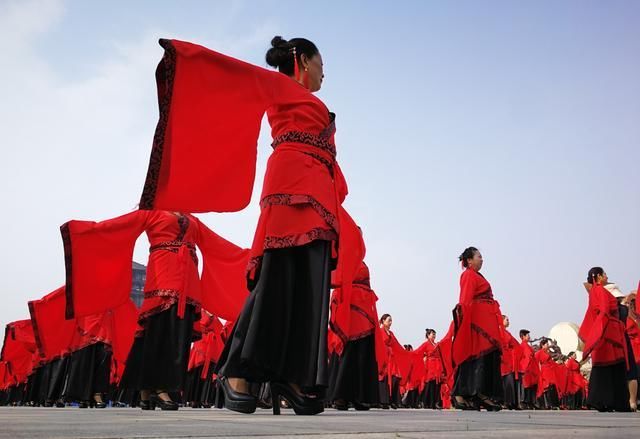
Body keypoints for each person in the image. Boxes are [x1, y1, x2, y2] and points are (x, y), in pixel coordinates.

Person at [62, 210, 249, 411]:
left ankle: (146, 391)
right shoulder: (152, 212)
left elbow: (217, 244)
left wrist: (250, 256)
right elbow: (119, 226)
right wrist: (84, 230)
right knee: (160, 332)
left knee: (172, 335)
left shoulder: (192, 219)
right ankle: (159, 387)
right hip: (163, 275)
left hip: (189, 283)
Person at [451, 247, 503, 411]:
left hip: (485, 323)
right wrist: (463, 322)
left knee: (485, 360)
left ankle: (479, 394)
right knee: (475, 359)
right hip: (477, 325)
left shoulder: (476, 275)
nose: (482, 259)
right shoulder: (468, 275)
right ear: (469, 261)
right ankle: (461, 394)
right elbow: (465, 300)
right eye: (479, 256)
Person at [327, 262, 380, 411]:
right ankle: (341, 397)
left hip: (363, 308)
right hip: (348, 307)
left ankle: (359, 397)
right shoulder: (343, 258)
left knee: (362, 354)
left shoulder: (361, 262)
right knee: (348, 352)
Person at [578, 267, 630, 412]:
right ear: (599, 276)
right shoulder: (599, 290)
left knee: (609, 369)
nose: (607, 276)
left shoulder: (595, 291)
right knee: (608, 369)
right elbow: (604, 310)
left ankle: (609, 402)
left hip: (607, 331)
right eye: (605, 274)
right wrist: (600, 330)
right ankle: (605, 401)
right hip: (607, 333)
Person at [377, 314, 405, 409]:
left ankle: (392, 401)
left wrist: (406, 353)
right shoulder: (380, 331)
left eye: (391, 320)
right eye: (389, 320)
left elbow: (397, 345)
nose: (390, 322)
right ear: (383, 321)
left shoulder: (391, 333)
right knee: (382, 378)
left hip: (391, 359)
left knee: (393, 379)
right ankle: (382, 401)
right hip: (383, 356)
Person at [500, 315, 522, 410]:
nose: (508, 321)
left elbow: (516, 344)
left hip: (509, 360)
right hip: (503, 359)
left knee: (510, 381)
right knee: (506, 381)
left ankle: (511, 402)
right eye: (507, 320)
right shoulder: (499, 331)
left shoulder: (506, 332)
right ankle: (506, 402)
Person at [535, 338, 560, 409]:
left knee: (552, 387)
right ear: (542, 345)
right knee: (547, 387)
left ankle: (554, 404)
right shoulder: (539, 353)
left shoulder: (547, 352)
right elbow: (536, 362)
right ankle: (549, 404)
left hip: (550, 371)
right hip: (545, 371)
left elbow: (551, 362)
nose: (548, 345)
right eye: (547, 344)